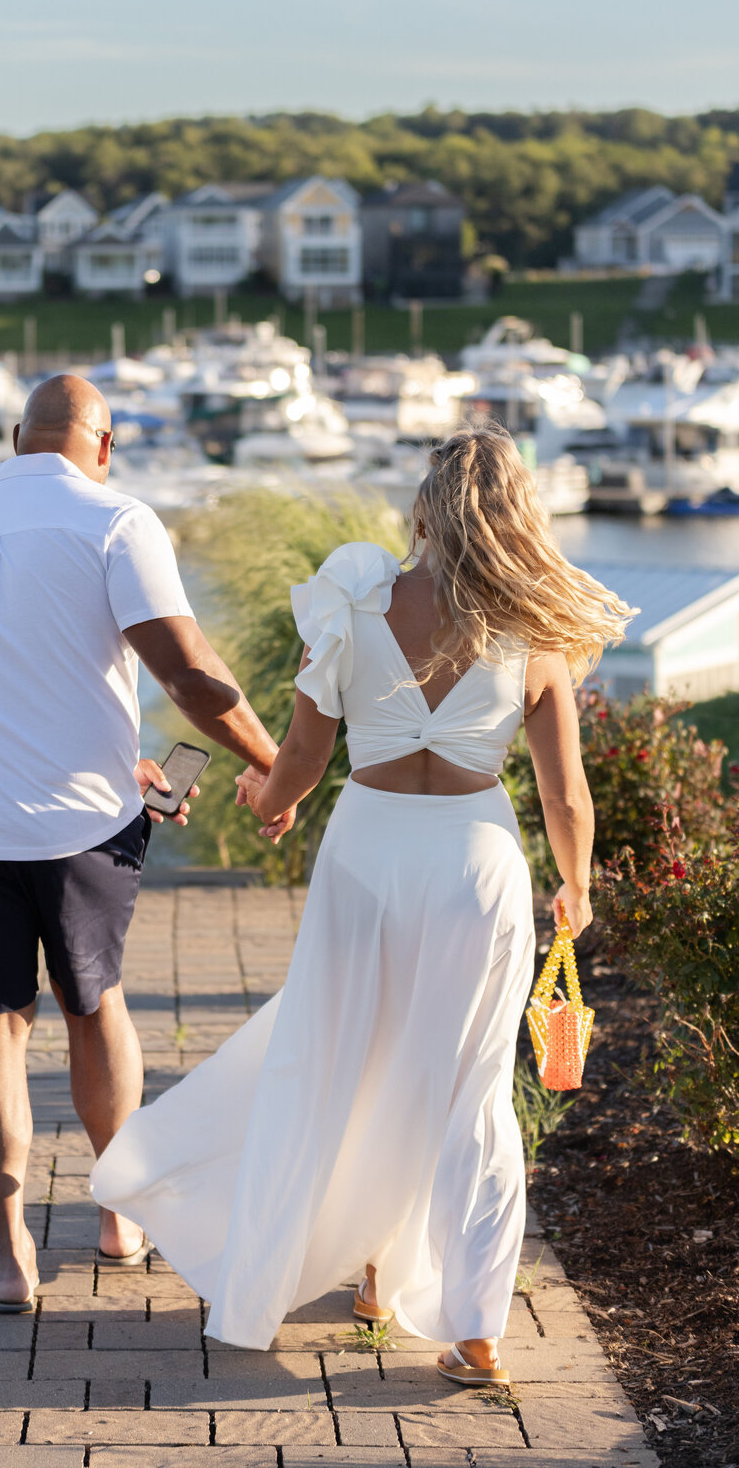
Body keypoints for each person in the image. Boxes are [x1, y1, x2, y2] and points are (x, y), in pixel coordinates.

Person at [91, 417, 633, 1386]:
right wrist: (577, 885)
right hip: (477, 865)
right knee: (465, 1090)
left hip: (369, 854)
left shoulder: (354, 604)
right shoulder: (535, 633)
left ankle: (338, 1279)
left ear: (425, 511)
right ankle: (475, 1332)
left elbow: (302, 759)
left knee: (340, 1060)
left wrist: (269, 802)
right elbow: (565, 796)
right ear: (516, 514)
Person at [0, 373, 280, 1315]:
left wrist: (130, 760)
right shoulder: (118, 521)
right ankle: (119, 1217)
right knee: (94, 1005)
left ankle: (9, 1260)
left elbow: (2, 677)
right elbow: (191, 677)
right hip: (77, 823)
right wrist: (277, 762)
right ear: (104, 445)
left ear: (15, 438)